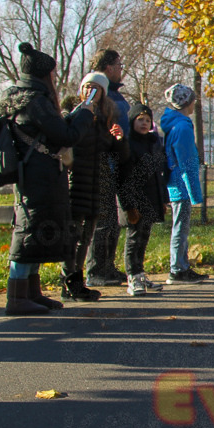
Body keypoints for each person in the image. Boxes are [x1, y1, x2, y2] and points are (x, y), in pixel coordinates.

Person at [0, 43, 94, 315]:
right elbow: (65, 136)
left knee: (35, 231)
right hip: (38, 176)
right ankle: (17, 297)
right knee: (27, 232)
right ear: (44, 73)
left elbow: (54, 130)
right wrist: (85, 112)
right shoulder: (35, 101)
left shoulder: (21, 96)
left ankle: (32, 293)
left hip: (33, 173)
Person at [61, 72, 128, 301]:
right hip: (77, 181)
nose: (90, 91)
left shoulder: (106, 117)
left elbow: (118, 155)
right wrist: (82, 113)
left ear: (103, 92)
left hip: (97, 182)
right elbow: (67, 138)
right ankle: (68, 281)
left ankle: (77, 281)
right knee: (72, 234)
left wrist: (119, 140)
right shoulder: (75, 113)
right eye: (87, 87)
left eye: (96, 88)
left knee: (86, 236)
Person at [85, 49, 131, 287]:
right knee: (103, 220)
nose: (121, 69)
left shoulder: (113, 94)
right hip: (102, 163)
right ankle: (96, 270)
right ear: (109, 67)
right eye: (119, 65)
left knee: (112, 220)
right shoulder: (97, 96)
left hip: (117, 160)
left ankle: (107, 267)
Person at [117, 104, 168, 296]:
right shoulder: (128, 144)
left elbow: (158, 174)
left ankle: (140, 273)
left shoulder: (154, 143)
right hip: (135, 200)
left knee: (144, 237)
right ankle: (132, 276)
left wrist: (163, 199)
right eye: (140, 120)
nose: (144, 123)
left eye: (148, 120)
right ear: (132, 121)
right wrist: (129, 206)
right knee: (134, 239)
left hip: (151, 198)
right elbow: (123, 178)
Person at [161, 84, 209, 284]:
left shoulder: (173, 124)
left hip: (175, 182)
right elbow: (187, 161)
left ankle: (181, 265)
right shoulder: (182, 127)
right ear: (187, 102)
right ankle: (178, 269)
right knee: (181, 228)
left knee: (180, 227)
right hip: (181, 185)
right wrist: (194, 192)